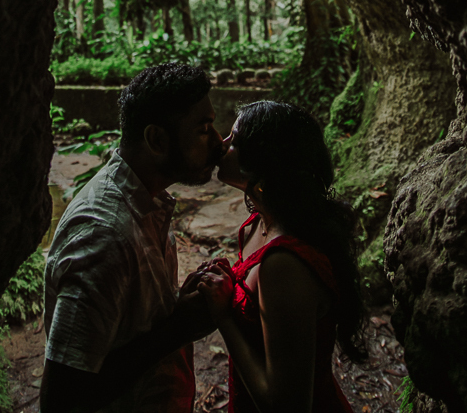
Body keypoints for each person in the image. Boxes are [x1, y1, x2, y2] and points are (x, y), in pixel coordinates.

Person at [40, 62, 228, 413]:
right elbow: (62, 399)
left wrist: (176, 307)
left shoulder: (147, 199)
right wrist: (176, 328)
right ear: (157, 139)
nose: (219, 140)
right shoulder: (103, 236)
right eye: (203, 129)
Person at [196, 100, 366, 413]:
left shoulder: (284, 264)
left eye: (235, 140)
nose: (223, 144)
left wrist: (223, 316)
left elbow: (285, 406)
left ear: (263, 163)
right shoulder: (258, 224)